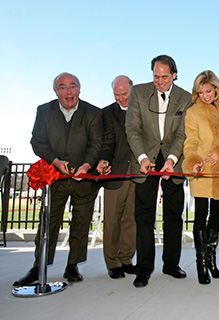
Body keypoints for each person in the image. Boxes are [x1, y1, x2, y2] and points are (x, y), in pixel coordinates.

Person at [14, 72, 102, 286]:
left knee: (81, 223)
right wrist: (54, 161)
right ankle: (39, 266)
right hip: (56, 178)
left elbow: (96, 143)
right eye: (62, 87)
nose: (68, 91)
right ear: (55, 91)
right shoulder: (44, 111)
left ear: (80, 89)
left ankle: (73, 266)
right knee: (47, 223)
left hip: (84, 179)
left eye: (72, 86)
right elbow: (37, 142)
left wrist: (87, 165)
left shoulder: (93, 112)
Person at [125, 55, 193, 288]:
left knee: (174, 215)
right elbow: (132, 128)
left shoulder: (185, 98)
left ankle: (171, 265)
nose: (160, 81)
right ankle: (144, 268)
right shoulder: (139, 92)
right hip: (145, 159)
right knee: (144, 216)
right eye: (156, 76)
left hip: (173, 161)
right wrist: (142, 158)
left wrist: (172, 160)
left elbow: (183, 134)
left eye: (165, 77)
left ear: (174, 75)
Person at [182, 70, 219, 284]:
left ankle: (212, 261)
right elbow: (190, 142)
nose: (205, 95)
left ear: (216, 89)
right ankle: (201, 264)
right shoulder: (193, 112)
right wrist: (194, 161)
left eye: (209, 90)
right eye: (201, 92)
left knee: (217, 214)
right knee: (201, 214)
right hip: (201, 169)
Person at [96, 75, 136, 279]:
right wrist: (103, 161)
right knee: (112, 220)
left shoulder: (140, 109)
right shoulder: (106, 113)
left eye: (125, 94)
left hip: (137, 172)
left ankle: (127, 259)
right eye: (116, 95)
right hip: (115, 173)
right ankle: (113, 262)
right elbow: (107, 142)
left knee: (131, 219)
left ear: (132, 89)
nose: (121, 98)